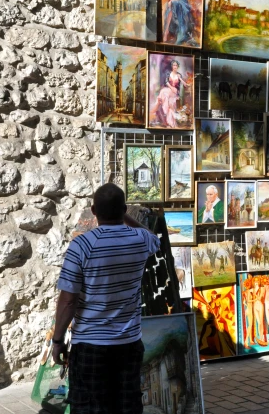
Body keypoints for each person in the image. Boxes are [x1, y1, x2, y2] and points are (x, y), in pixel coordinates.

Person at [52, 183, 161, 414]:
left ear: (93, 211)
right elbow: (154, 237)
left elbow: (69, 300)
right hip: (129, 343)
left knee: (91, 408)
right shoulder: (141, 239)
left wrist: (57, 340)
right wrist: (127, 217)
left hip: (91, 345)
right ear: (123, 209)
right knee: (127, 406)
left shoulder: (81, 245)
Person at [150, 59, 190, 129]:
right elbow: (166, 82)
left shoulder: (179, 75)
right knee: (163, 92)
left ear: (178, 66)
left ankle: (168, 117)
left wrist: (180, 79)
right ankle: (165, 110)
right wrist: (172, 88)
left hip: (175, 92)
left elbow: (184, 85)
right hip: (170, 89)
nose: (175, 66)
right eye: (174, 65)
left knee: (166, 95)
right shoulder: (168, 73)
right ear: (172, 66)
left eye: (176, 65)